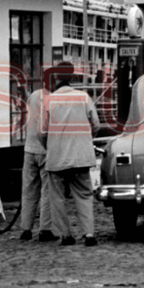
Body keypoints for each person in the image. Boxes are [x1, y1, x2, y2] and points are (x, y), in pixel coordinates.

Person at [42, 79, 101, 246]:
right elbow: (96, 124)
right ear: (71, 86)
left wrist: (49, 147)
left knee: (57, 198)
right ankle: (89, 234)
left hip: (57, 158)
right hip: (81, 157)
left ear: (56, 88)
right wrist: (86, 140)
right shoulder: (83, 97)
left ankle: (65, 235)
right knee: (84, 195)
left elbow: (42, 131)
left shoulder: (49, 100)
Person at [17, 82, 54, 242]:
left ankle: (26, 228)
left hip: (29, 148)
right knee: (47, 191)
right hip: (46, 149)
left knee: (28, 191)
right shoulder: (54, 99)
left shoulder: (33, 96)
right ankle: (45, 229)